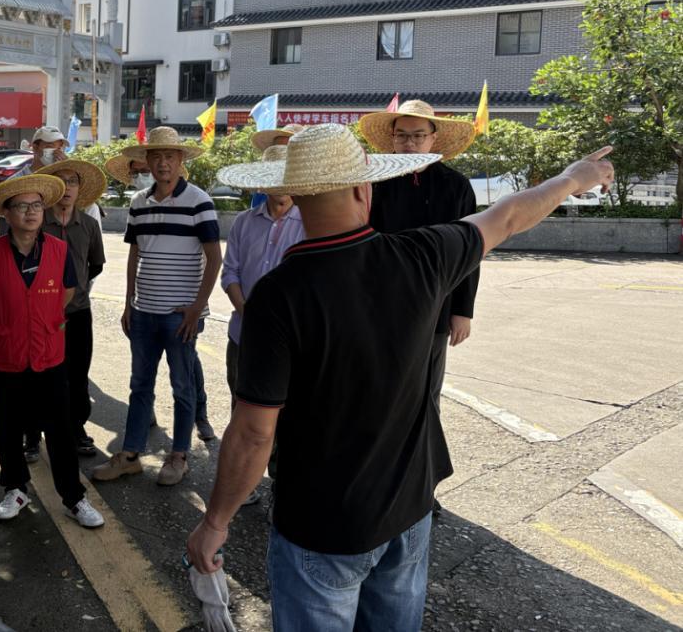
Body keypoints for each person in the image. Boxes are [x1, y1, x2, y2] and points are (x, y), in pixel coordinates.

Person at [185, 124, 615, 631]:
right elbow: (509, 215)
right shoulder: (423, 255)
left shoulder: (276, 297)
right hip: (408, 512)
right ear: (363, 190)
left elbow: (255, 433)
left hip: (322, 525)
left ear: (296, 194)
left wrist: (215, 522)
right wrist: (573, 178)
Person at [0, 174, 105, 529]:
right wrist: (9, 318)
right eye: (21, 206)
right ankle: (15, 489)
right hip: (7, 353)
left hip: (49, 353)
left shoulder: (58, 250)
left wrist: (41, 317)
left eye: (36, 206)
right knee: (8, 425)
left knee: (60, 429)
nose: (30, 213)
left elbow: (67, 290)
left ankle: (73, 497)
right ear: (7, 213)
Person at [92, 127, 221, 488]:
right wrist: (128, 302)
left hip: (181, 316)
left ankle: (179, 456)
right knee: (140, 385)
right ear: (147, 161)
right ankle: (130, 456)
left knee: (182, 386)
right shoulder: (138, 202)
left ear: (180, 161)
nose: (163, 163)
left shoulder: (199, 201)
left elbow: (214, 258)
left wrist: (198, 307)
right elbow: (135, 254)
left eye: (170, 156)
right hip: (144, 312)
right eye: (157, 157)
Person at [360, 100, 480, 411]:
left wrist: (462, 310)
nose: (409, 143)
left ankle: (427, 441)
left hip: (437, 299)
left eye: (418, 135)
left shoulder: (456, 186)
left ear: (433, 138)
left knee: (427, 389)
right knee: (379, 384)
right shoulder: (374, 183)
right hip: (381, 299)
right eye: (401, 135)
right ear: (392, 138)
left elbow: (470, 250)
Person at [216, 143, 305, 503]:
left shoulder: (309, 223)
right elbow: (230, 273)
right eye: (272, 176)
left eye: (285, 176)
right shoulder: (243, 222)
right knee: (243, 408)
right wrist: (249, 315)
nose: (279, 183)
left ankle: (283, 484)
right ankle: (245, 484)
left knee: (287, 415)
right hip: (244, 335)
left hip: (292, 341)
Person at [33, 159, 107, 457]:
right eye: (61, 181)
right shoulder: (37, 222)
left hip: (77, 312)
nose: (67, 188)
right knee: (38, 372)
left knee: (77, 375)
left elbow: (96, 264)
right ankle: (32, 432)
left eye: (72, 181)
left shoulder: (89, 225)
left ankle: (76, 429)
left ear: (80, 189)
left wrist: (76, 287)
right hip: (40, 313)